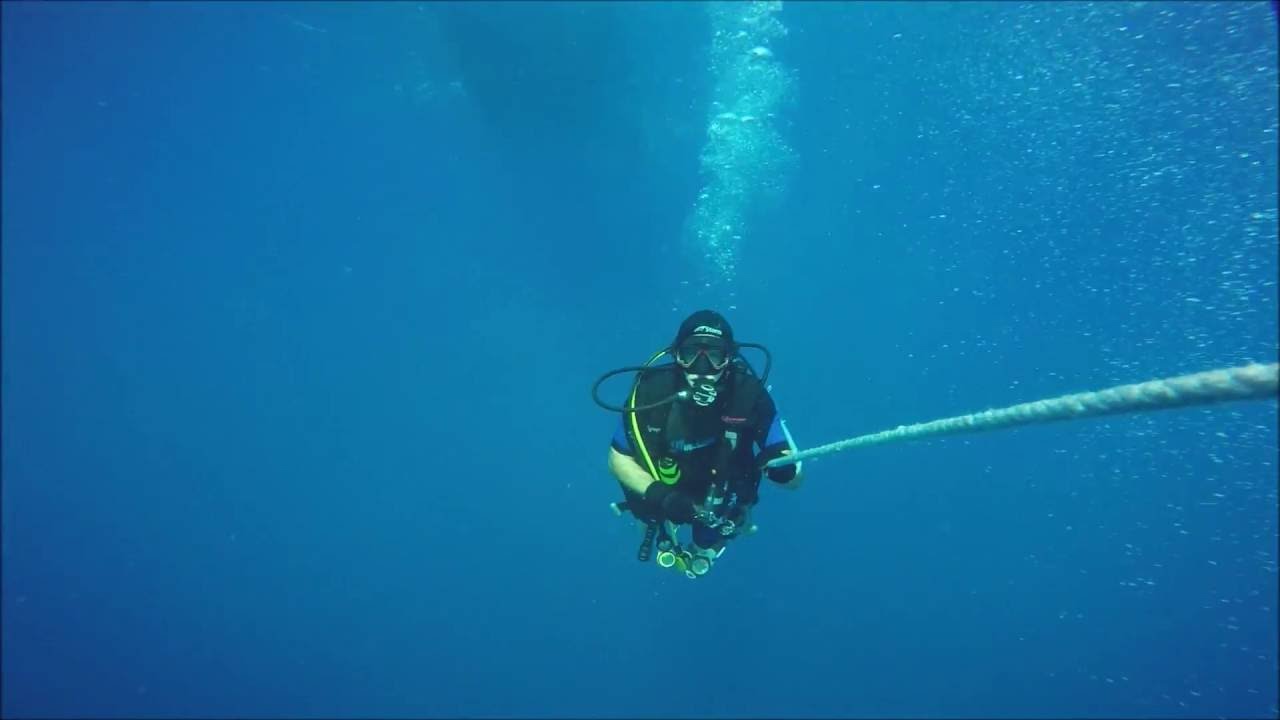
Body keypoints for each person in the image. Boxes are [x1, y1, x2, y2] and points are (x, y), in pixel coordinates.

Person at [595, 309, 803, 579]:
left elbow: (794, 477)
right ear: (676, 356)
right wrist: (662, 496)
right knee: (649, 517)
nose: (702, 370)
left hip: (720, 493)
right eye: (691, 354)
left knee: (708, 538)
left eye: (715, 356)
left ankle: (709, 545)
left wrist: (782, 469)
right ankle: (659, 527)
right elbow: (617, 459)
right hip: (663, 485)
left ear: (728, 359)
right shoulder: (651, 391)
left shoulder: (749, 395)